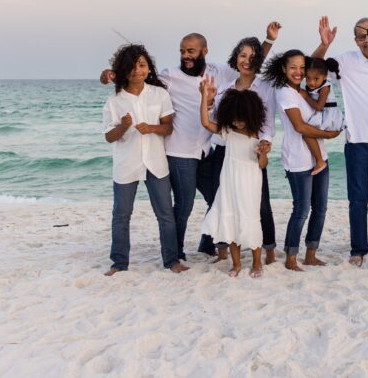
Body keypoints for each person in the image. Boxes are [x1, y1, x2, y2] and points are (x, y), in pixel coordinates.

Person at [99, 26, 276, 262]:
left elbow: (250, 63)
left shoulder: (219, 71)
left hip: (207, 150)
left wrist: (268, 41)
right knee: (184, 206)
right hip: (180, 152)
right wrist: (111, 74)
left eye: (191, 51)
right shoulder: (168, 76)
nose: (186, 56)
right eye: (182, 51)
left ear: (204, 50)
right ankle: (177, 253)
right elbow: (138, 77)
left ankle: (207, 244)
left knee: (217, 199)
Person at [312, 16, 368, 266]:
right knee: (358, 200)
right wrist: (325, 44)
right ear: (356, 40)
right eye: (361, 36)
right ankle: (358, 250)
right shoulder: (345, 61)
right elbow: (313, 66)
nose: (367, 39)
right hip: (358, 142)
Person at [102, 44, 187, 275]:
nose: (137, 71)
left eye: (142, 65)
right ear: (123, 70)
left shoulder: (159, 94)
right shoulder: (115, 100)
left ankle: (172, 261)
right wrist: (123, 126)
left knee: (165, 214)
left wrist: (151, 128)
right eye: (131, 66)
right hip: (126, 164)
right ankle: (119, 263)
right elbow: (110, 137)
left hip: (155, 163)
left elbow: (168, 128)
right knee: (121, 215)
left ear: (148, 68)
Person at [198, 36, 278, 265]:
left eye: (252, 57)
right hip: (226, 152)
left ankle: (269, 249)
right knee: (225, 202)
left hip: (253, 150)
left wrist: (264, 144)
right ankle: (223, 251)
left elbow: (268, 124)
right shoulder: (225, 89)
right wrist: (210, 100)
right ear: (236, 57)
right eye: (242, 55)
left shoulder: (265, 87)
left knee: (260, 205)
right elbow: (214, 122)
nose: (246, 61)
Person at [262, 49, 342, 272]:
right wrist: (329, 135)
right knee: (302, 209)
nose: (298, 72)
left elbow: (316, 66)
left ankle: (311, 255)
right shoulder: (285, 92)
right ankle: (290, 257)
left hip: (320, 157)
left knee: (321, 208)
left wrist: (325, 44)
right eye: (292, 68)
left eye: (301, 68)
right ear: (284, 70)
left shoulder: (307, 89)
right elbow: (299, 127)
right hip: (297, 159)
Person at [198, 82, 270, 278]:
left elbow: (262, 165)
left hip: (249, 184)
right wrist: (204, 97)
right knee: (230, 220)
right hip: (229, 183)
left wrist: (264, 152)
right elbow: (205, 122)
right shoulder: (227, 132)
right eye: (235, 118)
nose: (238, 122)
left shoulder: (258, 138)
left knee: (250, 218)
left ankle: (257, 263)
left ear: (251, 115)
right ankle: (236, 264)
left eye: (242, 118)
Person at [297, 57, 343, 175]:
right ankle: (317, 159)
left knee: (307, 133)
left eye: (316, 79)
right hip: (323, 115)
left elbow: (319, 107)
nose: (311, 82)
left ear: (325, 76)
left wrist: (305, 96)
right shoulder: (314, 85)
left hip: (329, 116)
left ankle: (320, 161)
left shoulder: (325, 88)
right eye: (308, 78)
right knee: (308, 133)